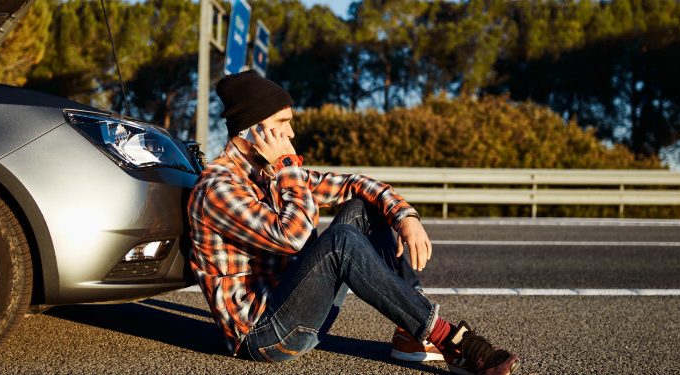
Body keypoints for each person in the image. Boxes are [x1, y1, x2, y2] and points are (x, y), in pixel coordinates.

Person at [187, 71, 522, 375]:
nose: (291, 131)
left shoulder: (270, 171)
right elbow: (294, 238)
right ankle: (450, 340)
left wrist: (405, 216)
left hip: (298, 310)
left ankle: (412, 334)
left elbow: (355, 184)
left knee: (362, 207)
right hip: (264, 336)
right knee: (341, 242)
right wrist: (288, 169)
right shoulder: (218, 187)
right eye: (282, 121)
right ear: (255, 129)